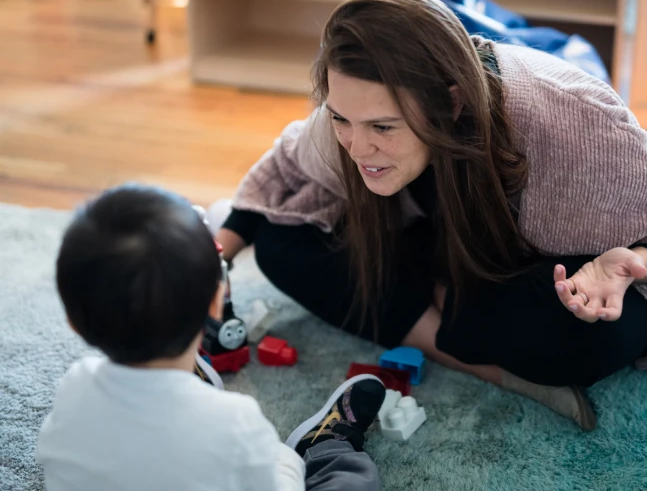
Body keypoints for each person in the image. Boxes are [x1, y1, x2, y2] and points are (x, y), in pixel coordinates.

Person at [216, 0, 647, 430]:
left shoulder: (568, 119)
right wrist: (216, 256)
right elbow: (283, 170)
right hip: (451, 264)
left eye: (383, 128)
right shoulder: (350, 112)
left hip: (549, 272)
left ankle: (448, 322)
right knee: (281, 243)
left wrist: (632, 264)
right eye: (340, 120)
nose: (357, 148)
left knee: (596, 335)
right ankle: (482, 360)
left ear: (450, 102)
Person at [36, 184, 386, 491]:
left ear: (72, 323)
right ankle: (329, 448)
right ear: (216, 303)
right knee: (350, 479)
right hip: (251, 456)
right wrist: (283, 461)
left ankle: (186, 381)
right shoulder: (235, 423)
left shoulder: (73, 387)